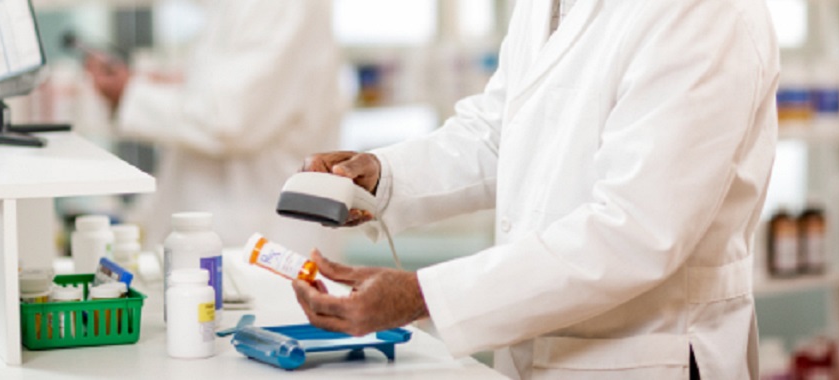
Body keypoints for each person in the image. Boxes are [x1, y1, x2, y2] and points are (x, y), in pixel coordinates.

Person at [291, 0, 780, 378]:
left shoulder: (703, 13)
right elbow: (503, 130)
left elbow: (636, 231)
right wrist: (380, 176)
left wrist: (423, 296)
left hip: (650, 350)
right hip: (544, 344)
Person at [84, 0, 347, 252]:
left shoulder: (276, 5)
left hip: (259, 233)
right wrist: (167, 85)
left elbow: (228, 122)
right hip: (232, 228)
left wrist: (131, 93)